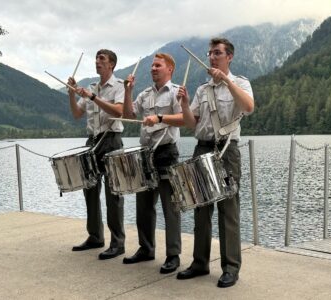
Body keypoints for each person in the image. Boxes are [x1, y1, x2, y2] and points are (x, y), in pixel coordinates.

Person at [176, 38, 254, 287]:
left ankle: (231, 267)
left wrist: (227, 81)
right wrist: (185, 105)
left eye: (217, 53)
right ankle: (199, 263)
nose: (212, 57)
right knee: (201, 209)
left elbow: (249, 107)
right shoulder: (202, 89)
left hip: (227, 150)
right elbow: (192, 123)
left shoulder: (241, 82)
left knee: (228, 211)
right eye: (210, 53)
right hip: (203, 148)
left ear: (229, 56)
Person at [122, 53, 184, 274]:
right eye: (152, 66)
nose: (153, 69)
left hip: (167, 152)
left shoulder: (177, 92)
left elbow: (184, 119)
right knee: (144, 206)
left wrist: (159, 119)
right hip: (145, 154)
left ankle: (173, 255)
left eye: (158, 65)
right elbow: (128, 114)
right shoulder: (145, 94)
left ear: (170, 69)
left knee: (171, 207)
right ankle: (146, 249)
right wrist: (128, 91)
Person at [67, 49, 125, 260]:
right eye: (96, 59)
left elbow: (119, 111)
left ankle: (117, 243)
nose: (97, 62)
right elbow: (76, 114)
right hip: (91, 142)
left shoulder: (119, 86)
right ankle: (95, 236)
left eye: (102, 59)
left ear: (111, 65)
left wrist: (93, 97)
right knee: (90, 191)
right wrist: (72, 94)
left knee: (113, 194)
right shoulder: (91, 86)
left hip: (111, 140)